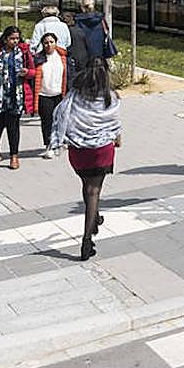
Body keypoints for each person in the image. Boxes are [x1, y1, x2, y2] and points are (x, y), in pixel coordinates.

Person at [49, 60, 121, 261]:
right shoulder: (110, 96)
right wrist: (117, 137)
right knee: (94, 190)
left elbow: (63, 116)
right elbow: (114, 122)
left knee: (87, 186)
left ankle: (94, 217)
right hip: (101, 150)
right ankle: (87, 240)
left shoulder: (75, 95)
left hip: (79, 151)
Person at [0, 25, 36, 169]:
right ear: (5, 39)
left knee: (13, 127)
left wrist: (27, 72)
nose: (15, 41)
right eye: (12, 38)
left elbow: (33, 72)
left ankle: (14, 156)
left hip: (16, 96)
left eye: (17, 38)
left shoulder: (24, 52)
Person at [33, 33, 68, 159]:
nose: (49, 45)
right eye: (46, 43)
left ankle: (60, 140)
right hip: (44, 94)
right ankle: (49, 145)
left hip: (59, 94)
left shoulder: (62, 57)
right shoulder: (38, 59)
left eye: (51, 42)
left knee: (60, 120)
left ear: (56, 42)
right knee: (47, 121)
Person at [74, 0, 116, 69]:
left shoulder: (78, 21)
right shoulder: (101, 19)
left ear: (82, 8)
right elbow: (106, 33)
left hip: (83, 57)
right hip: (99, 56)